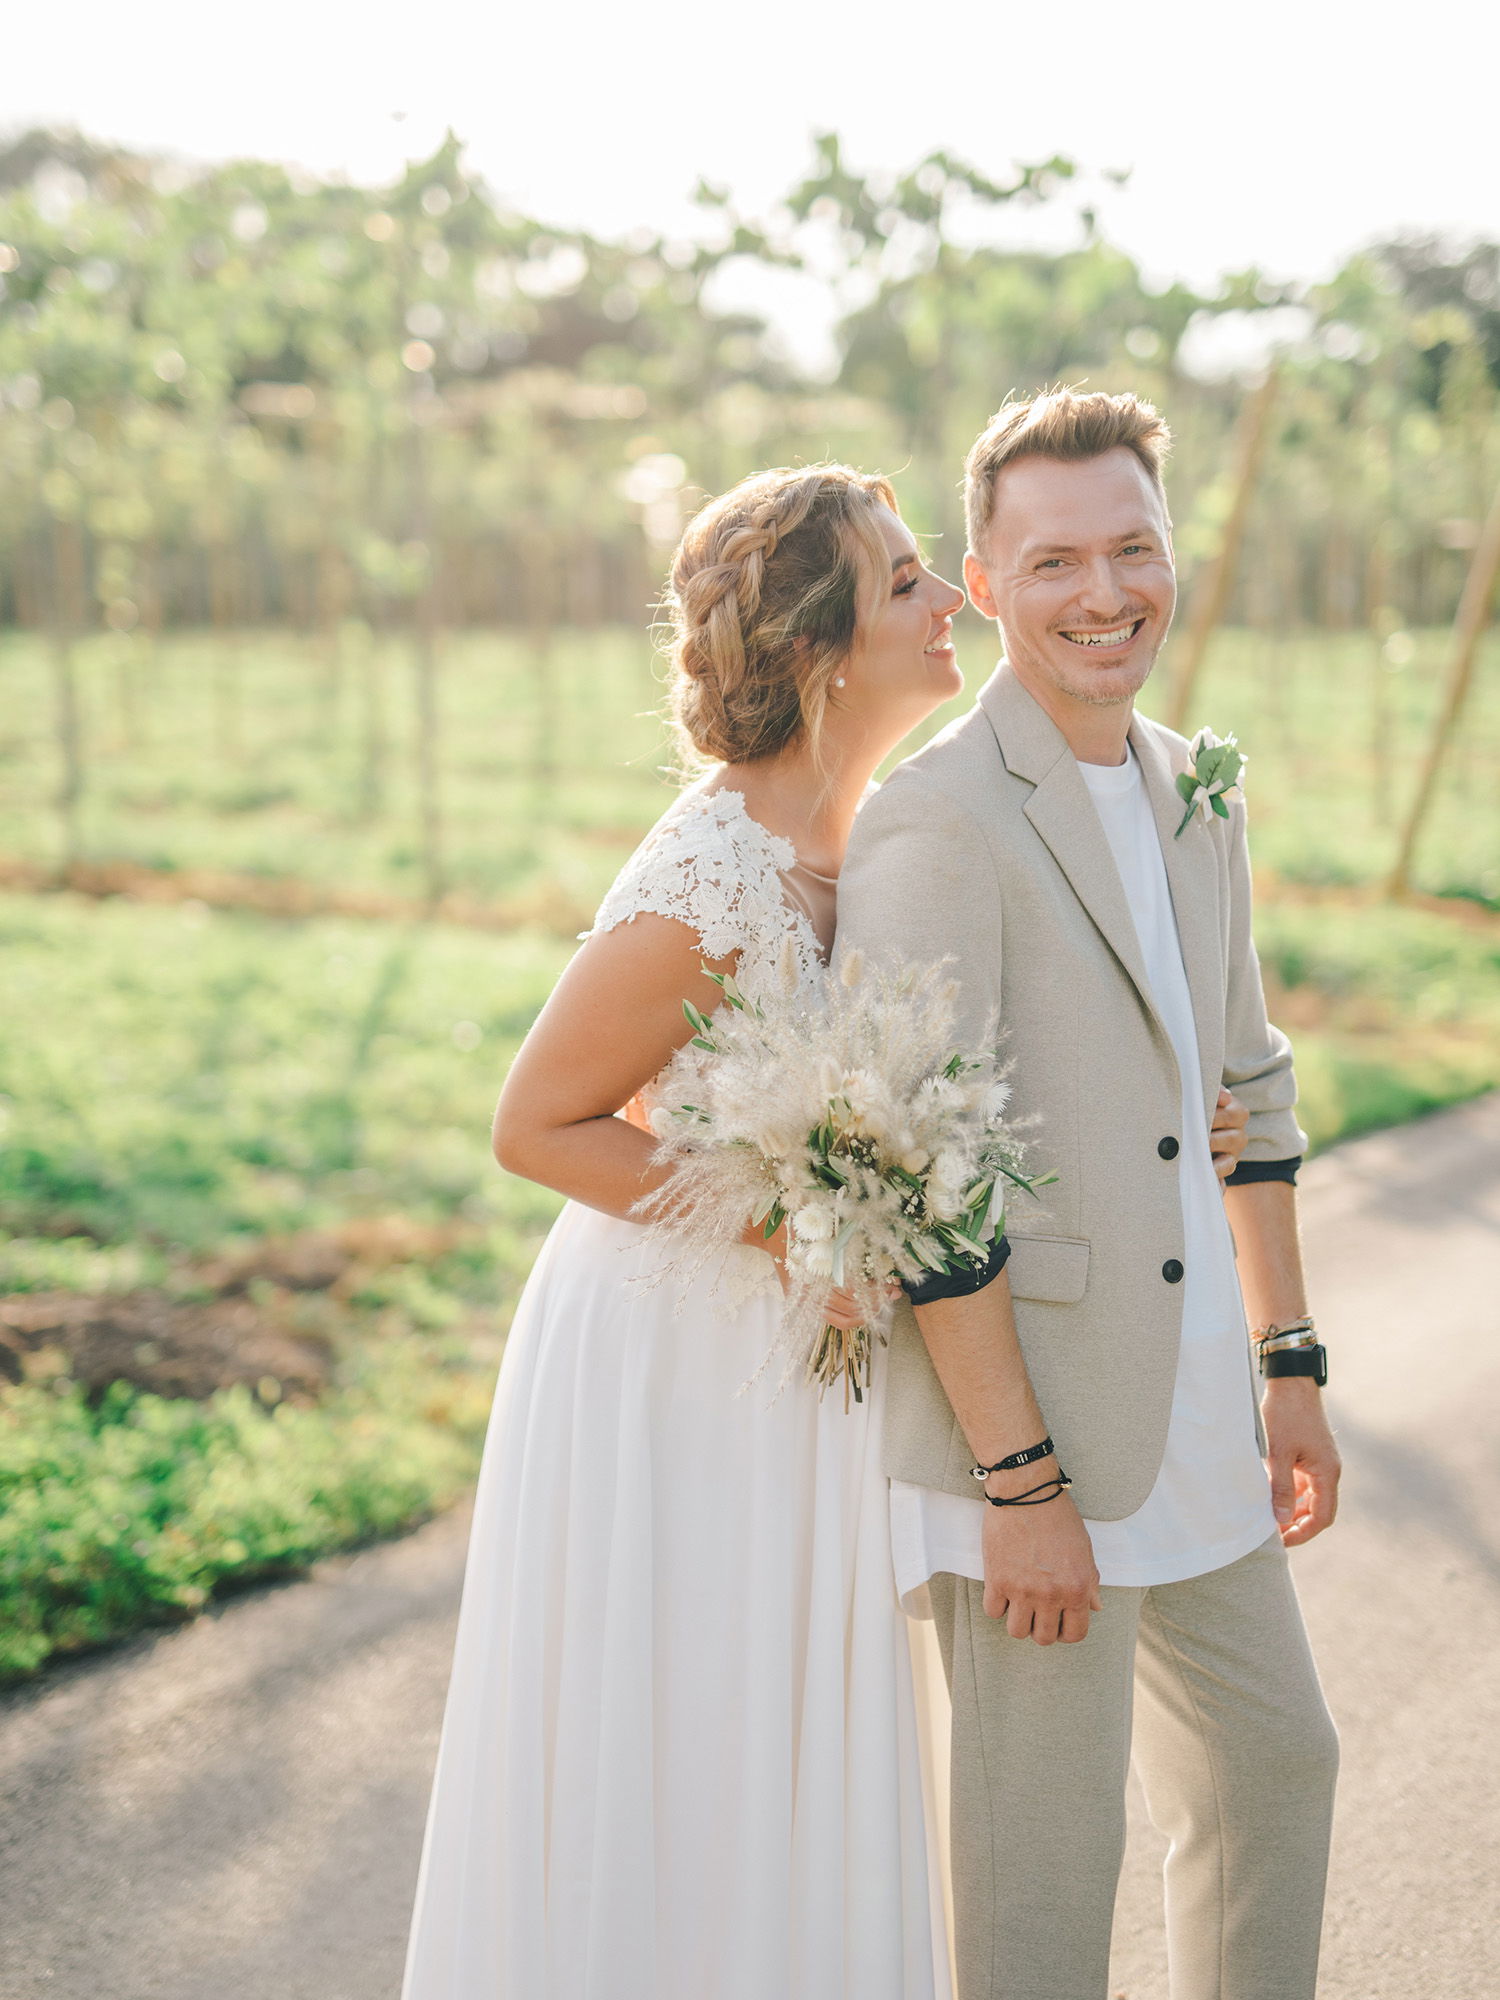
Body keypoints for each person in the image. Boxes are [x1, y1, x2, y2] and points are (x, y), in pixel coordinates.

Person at [400, 462, 972, 2000]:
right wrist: (784, 1224)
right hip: (678, 1355)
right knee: (692, 1729)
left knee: (791, 1720)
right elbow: (535, 1124)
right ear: (819, 648)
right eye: (909, 581)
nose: (954, 600)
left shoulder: (881, 831)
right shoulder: (709, 878)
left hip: (801, 1359)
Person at [832, 388, 1341, 2000]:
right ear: (983, 584)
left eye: (1133, 546)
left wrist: (1293, 1363)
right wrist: (1023, 1488)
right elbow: (915, 1177)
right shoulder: (937, 817)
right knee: (1041, 1896)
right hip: (1032, 1444)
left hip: (1195, 1411)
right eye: (1055, 562)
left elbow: (1247, 1086)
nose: (1105, 592)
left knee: (1277, 1772)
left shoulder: (1199, 787)